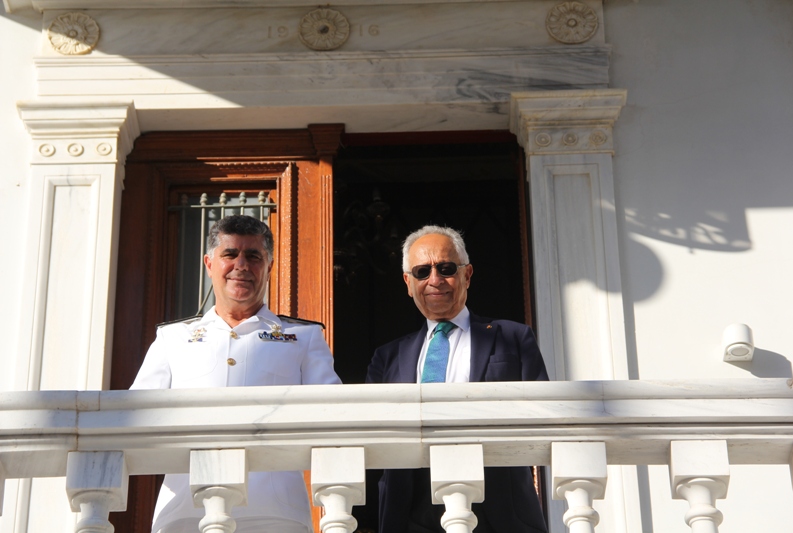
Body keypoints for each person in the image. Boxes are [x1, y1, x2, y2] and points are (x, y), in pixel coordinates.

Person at [131, 215, 341, 533]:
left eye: (253, 256)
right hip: (185, 511)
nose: (241, 265)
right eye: (230, 254)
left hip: (276, 512)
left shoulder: (303, 337)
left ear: (269, 266)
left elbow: (333, 415)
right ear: (209, 264)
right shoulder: (173, 338)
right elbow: (134, 415)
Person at [366, 225, 549, 533]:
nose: (435, 280)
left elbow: (544, 416)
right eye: (422, 272)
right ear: (408, 283)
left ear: (467, 274)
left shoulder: (513, 337)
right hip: (410, 512)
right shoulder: (387, 357)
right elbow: (371, 431)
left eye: (446, 268)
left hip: (499, 509)